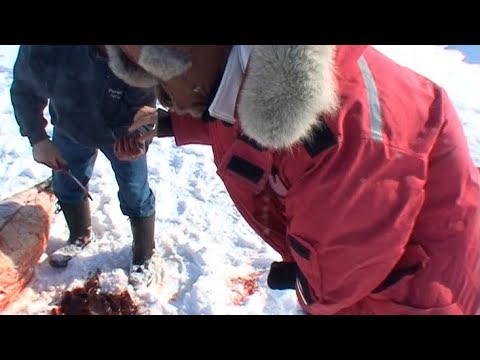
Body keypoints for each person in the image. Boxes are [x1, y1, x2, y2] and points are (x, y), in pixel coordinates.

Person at [106, 45, 479, 314]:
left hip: (411, 294)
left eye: (161, 81)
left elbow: (333, 282)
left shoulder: (343, 140)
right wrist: (172, 124)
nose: (162, 98)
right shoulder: (266, 72)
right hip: (371, 268)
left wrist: (301, 282)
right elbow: (243, 119)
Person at [10, 45, 158, 288]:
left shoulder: (134, 50)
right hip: (69, 128)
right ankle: (80, 234)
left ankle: (144, 253)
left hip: (121, 135)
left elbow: (144, 108)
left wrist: (138, 139)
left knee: (135, 192)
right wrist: (38, 139)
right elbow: (25, 88)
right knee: (66, 184)